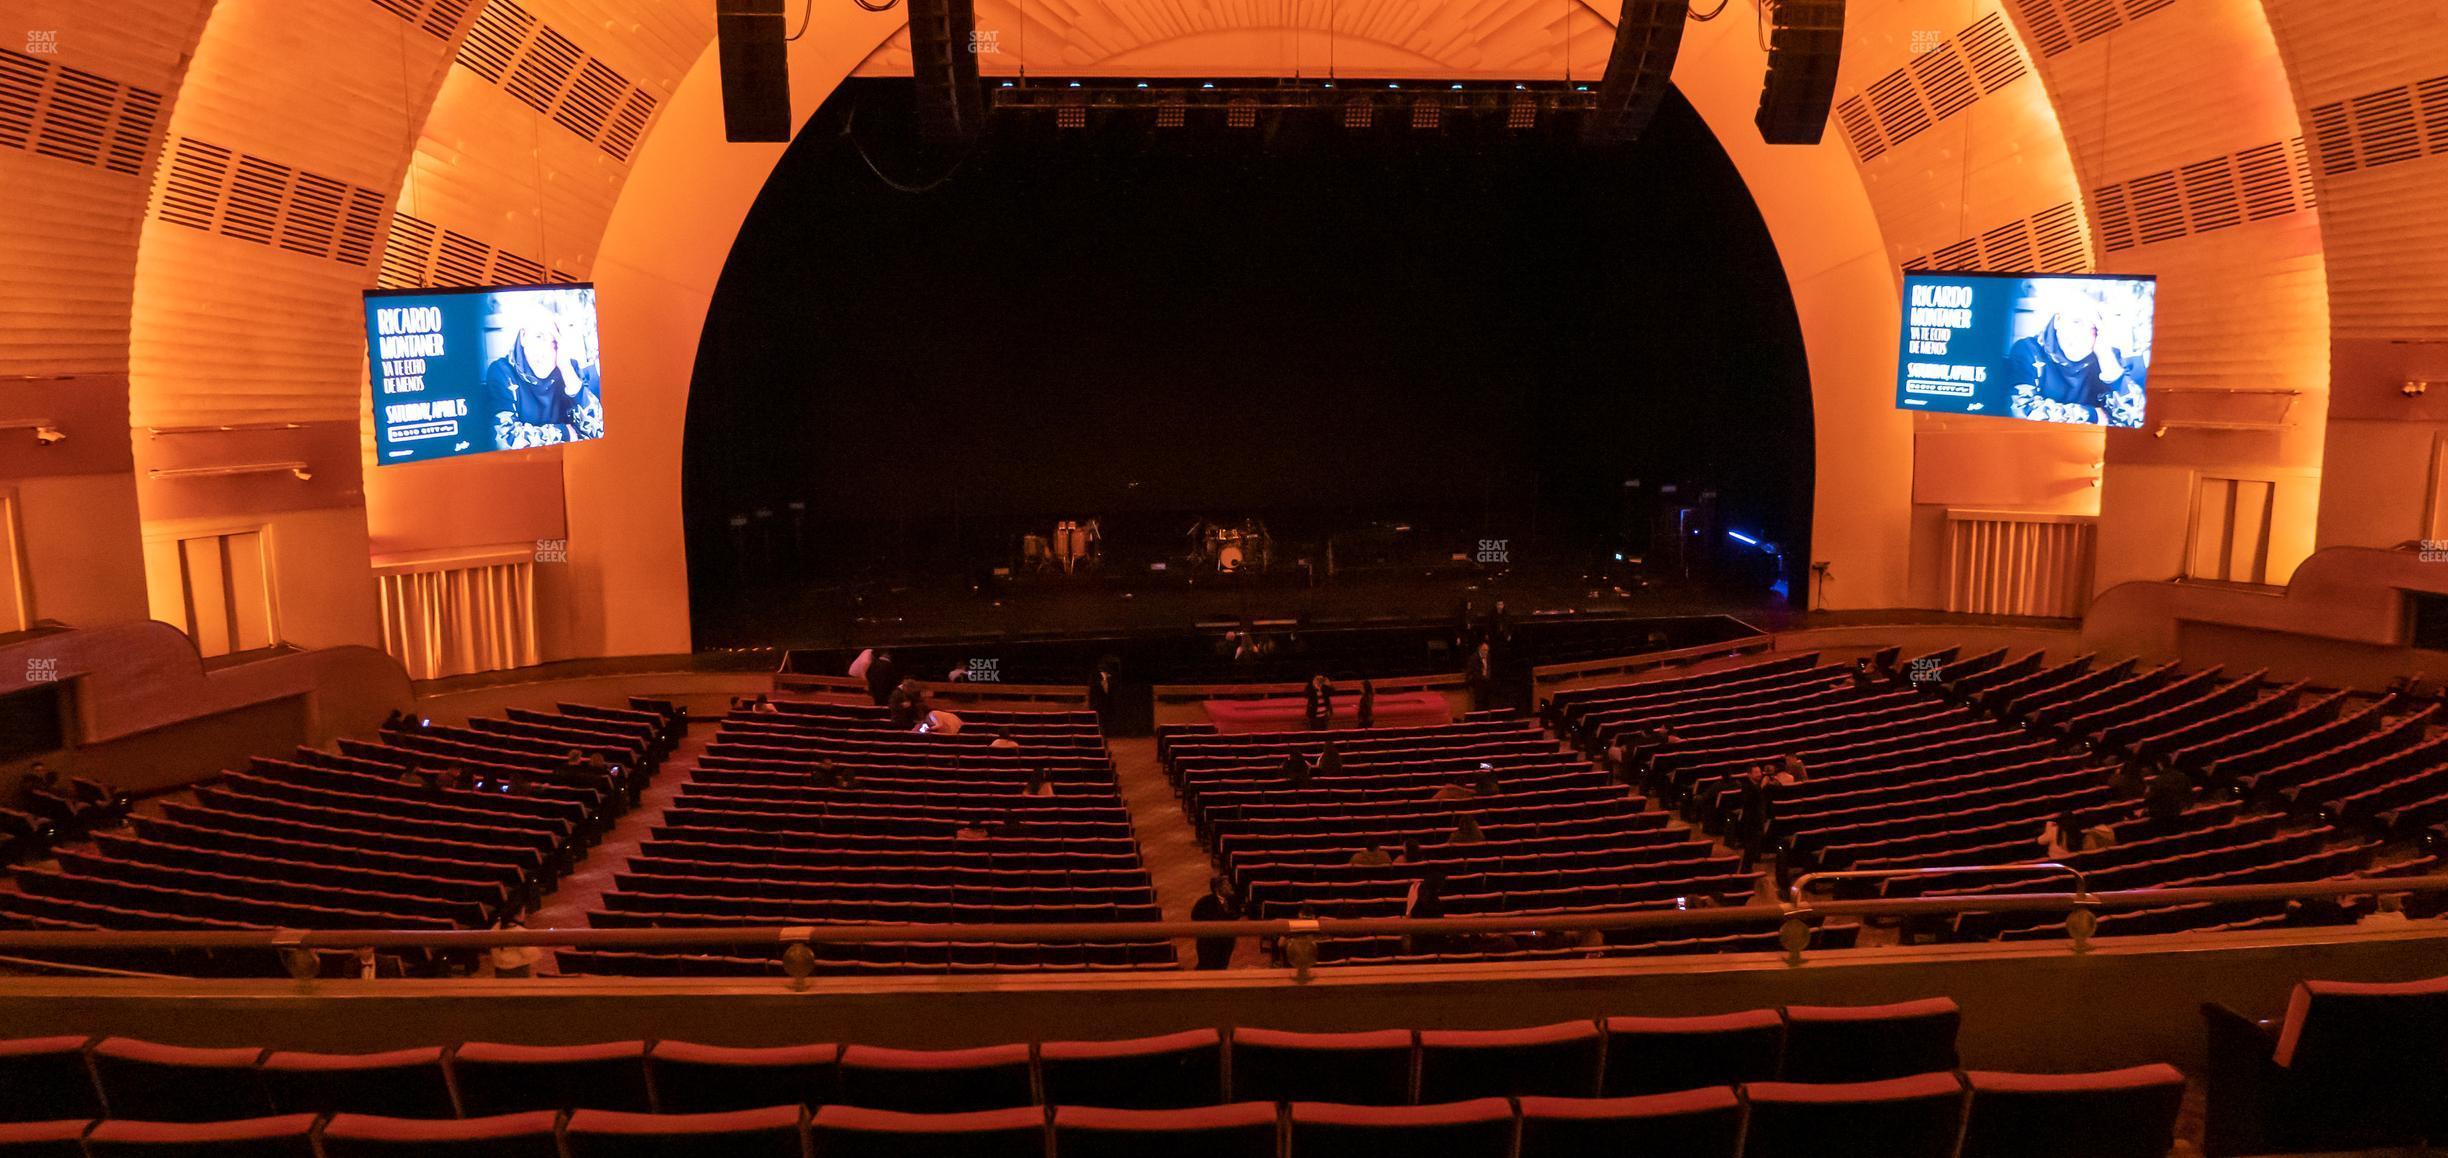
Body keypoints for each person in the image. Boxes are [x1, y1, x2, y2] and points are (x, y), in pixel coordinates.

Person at [2001, 290, 2148, 427]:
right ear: (2058, 321)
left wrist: (2106, 358)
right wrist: (2091, 415)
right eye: (2076, 322)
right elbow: (2020, 411)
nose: (2082, 334)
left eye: (2093, 327)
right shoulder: (2029, 350)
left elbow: (2134, 419)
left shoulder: (2107, 358)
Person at [485, 305, 602, 450]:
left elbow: (597, 431)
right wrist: (563, 433)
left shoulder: (569, 369)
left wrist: (566, 370)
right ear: (523, 337)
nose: (544, 351)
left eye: (554, 343)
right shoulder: (502, 372)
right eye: (539, 337)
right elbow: (503, 439)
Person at [1190, 876, 1240, 970]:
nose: (1230, 886)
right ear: (1218, 888)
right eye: (1227, 884)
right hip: (1209, 943)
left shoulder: (1233, 900)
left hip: (1227, 942)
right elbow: (1195, 916)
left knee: (1223, 966)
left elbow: (1237, 914)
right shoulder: (1205, 902)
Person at [2039, 811, 2115, 859]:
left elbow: (2040, 841)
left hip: (2093, 857)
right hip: (2105, 856)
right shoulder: (2109, 830)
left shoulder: (2091, 835)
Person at [1464, 641, 1497, 711]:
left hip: (1486, 681)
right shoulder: (1473, 658)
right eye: (1484, 650)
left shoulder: (1488, 657)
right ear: (1480, 649)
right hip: (1477, 682)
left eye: (1487, 650)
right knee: (1480, 701)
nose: (1486, 652)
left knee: (1489, 699)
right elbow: (1472, 672)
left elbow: (1489, 669)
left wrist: (1487, 677)